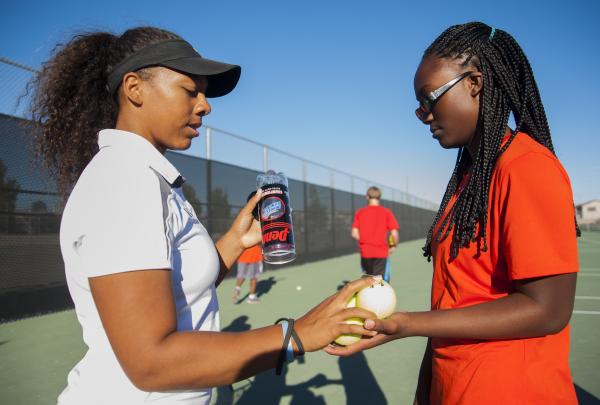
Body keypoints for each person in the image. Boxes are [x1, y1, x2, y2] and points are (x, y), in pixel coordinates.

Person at [28, 26, 379, 404]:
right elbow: (151, 362)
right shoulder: (124, 180)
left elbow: (178, 292)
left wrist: (234, 243)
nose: (205, 105)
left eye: (204, 93)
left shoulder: (145, 177)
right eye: (189, 90)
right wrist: (294, 335)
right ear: (134, 88)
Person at [327, 22, 580, 405]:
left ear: (474, 83)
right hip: (456, 385)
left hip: (513, 390)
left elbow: (548, 309)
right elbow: (451, 304)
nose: (423, 115)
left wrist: (407, 324)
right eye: (418, 106)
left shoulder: (527, 167)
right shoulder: (470, 178)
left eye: (429, 99)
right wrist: (426, 389)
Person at [351, 186, 399, 277]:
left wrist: (365, 240)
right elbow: (394, 233)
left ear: (367, 197)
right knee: (378, 282)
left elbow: (354, 233)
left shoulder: (360, 212)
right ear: (379, 197)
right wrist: (393, 246)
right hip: (381, 252)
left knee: (367, 280)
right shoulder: (387, 212)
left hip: (365, 252)